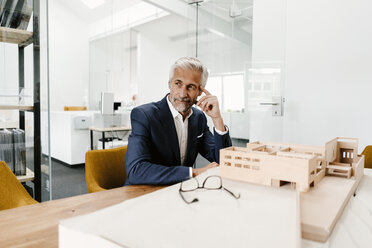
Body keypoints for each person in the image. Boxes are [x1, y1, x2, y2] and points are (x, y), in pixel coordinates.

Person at [125, 57, 231, 185]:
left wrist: (217, 119)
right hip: (144, 192)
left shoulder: (198, 118)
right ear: (169, 84)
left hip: (181, 190)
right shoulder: (144, 115)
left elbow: (224, 161)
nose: (182, 94)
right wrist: (194, 173)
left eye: (191, 87)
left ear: (199, 92)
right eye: (178, 83)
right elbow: (136, 170)